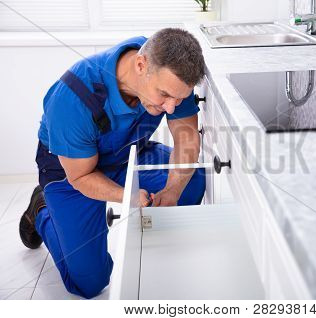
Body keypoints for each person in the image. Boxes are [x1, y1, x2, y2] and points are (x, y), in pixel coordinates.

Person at [18, 28, 206, 299]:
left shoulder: (169, 70)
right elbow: (81, 177)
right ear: (141, 66)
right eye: (164, 96)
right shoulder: (73, 98)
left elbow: (187, 139)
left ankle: (154, 253)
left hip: (127, 152)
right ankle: (42, 212)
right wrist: (127, 195)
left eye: (179, 98)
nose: (171, 108)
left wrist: (172, 190)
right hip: (71, 171)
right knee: (89, 283)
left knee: (192, 180)